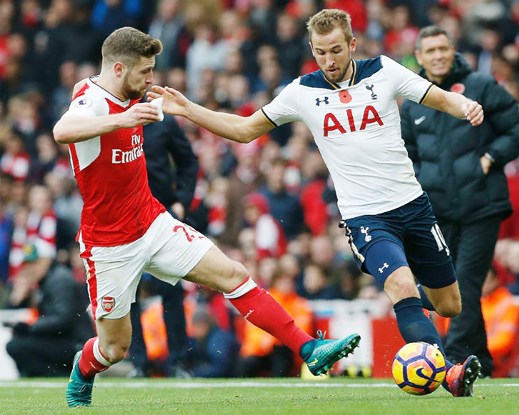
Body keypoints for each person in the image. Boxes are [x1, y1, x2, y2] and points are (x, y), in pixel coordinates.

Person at [149, 8, 485, 397]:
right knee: (400, 283)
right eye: (321, 52)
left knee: (449, 305)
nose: (329, 60)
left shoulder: (384, 71)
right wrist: (188, 109)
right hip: (365, 217)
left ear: (352, 45)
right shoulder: (302, 92)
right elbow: (244, 130)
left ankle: (411, 309)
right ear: (312, 49)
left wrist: (465, 106)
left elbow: (439, 98)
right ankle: (447, 374)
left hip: (413, 205)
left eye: (336, 50)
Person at [52, 26, 360, 408]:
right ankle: (83, 370)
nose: (150, 79)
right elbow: (62, 130)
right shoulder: (93, 102)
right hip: (109, 244)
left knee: (233, 274)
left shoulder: (125, 97)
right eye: (144, 71)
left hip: (152, 221)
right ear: (118, 69)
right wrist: (123, 119)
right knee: (114, 348)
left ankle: (309, 348)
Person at [400, 26, 519, 377]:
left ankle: (455, 361)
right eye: (430, 50)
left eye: (443, 48)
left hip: (481, 205)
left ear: (453, 49)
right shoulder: (413, 103)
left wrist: (490, 158)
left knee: (466, 284)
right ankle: (480, 361)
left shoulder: (480, 86)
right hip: (438, 212)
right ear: (419, 57)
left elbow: (518, 129)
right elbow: (405, 155)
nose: (438, 55)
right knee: (450, 286)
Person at [127, 107, 199, 378]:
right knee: (128, 292)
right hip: (126, 216)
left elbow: (188, 161)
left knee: (171, 288)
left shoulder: (162, 121)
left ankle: (179, 362)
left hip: (161, 215)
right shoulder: (113, 119)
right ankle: (139, 363)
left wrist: (182, 200)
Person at [5, 242, 94, 377]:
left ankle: (60, 375)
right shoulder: (47, 280)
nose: (29, 268)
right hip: (66, 340)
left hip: (76, 343)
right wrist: (17, 300)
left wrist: (31, 327)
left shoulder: (60, 280)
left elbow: (63, 319)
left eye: (34, 263)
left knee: (16, 346)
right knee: (19, 341)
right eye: (27, 264)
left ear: (46, 261)